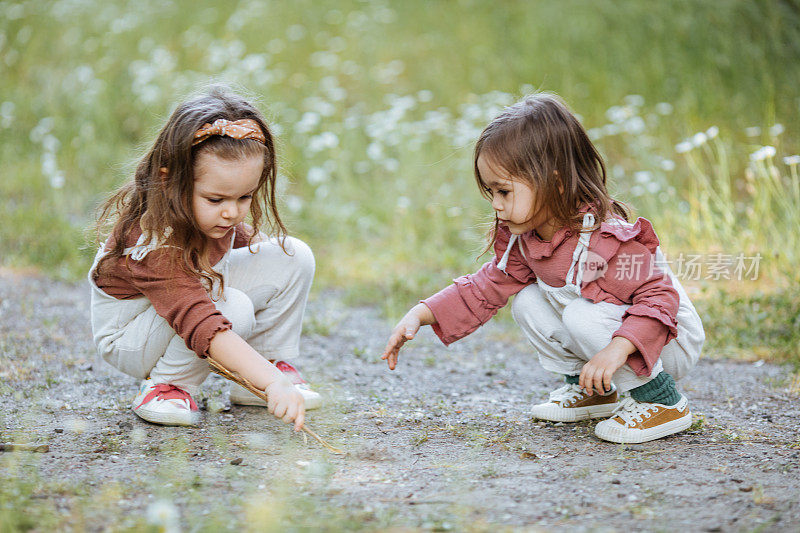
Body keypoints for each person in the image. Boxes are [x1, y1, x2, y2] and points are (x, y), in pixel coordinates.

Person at [382, 93, 704, 444]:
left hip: (665, 339)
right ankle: (595, 389)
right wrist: (421, 313)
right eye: (490, 192)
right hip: (614, 335)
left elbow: (659, 297)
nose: (495, 204)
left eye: (504, 191)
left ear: (556, 183)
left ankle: (661, 401)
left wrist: (618, 348)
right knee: (527, 300)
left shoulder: (604, 240)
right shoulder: (527, 238)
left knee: (583, 315)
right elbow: (485, 287)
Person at [89, 86, 320, 429]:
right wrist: (273, 382)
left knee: (292, 256)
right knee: (232, 306)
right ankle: (169, 386)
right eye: (216, 199)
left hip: (189, 309)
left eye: (244, 197)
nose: (232, 213)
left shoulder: (213, 218)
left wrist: (266, 376)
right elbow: (200, 317)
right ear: (170, 182)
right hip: (131, 336)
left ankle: (263, 369)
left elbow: (265, 265)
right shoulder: (153, 240)